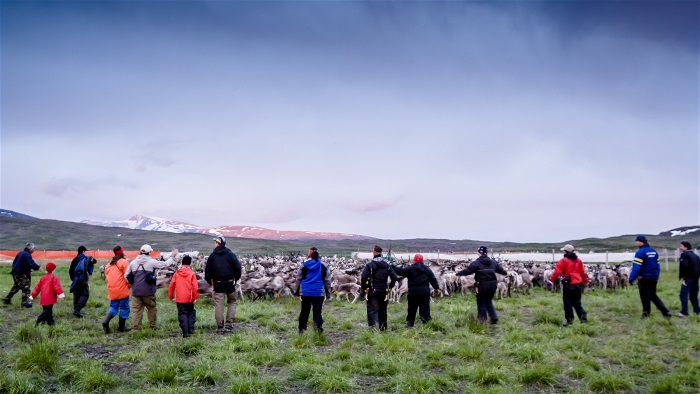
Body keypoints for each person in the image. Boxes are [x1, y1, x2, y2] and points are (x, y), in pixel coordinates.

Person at [124, 244, 177, 330]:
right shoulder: (152, 262)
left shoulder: (133, 263)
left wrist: (131, 284)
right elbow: (165, 264)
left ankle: (136, 328)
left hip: (136, 291)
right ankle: (153, 326)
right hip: (148, 291)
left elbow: (126, 275)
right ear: (150, 252)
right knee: (151, 308)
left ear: (140, 252)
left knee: (136, 310)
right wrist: (172, 256)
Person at [456, 246, 508, 324]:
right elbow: (502, 271)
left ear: (479, 253)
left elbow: (468, 271)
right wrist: (506, 273)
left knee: (481, 303)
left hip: (482, 285)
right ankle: (494, 317)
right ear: (486, 253)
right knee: (488, 301)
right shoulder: (493, 262)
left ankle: (482, 321)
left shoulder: (476, 263)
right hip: (493, 285)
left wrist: (458, 274)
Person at [391, 254, 440, 327]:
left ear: (414, 260)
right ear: (422, 260)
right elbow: (433, 279)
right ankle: (426, 323)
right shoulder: (427, 269)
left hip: (413, 292)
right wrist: (436, 288)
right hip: (424, 292)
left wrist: (392, 266)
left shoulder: (410, 268)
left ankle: (410, 323)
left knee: (412, 308)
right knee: (425, 308)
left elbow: (400, 272)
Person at [204, 236, 241, 332]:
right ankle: (229, 323)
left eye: (215, 242)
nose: (214, 244)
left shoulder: (212, 256)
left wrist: (211, 282)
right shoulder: (230, 254)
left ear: (218, 243)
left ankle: (220, 327)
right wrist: (235, 279)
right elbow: (238, 268)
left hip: (218, 284)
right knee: (232, 301)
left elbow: (207, 272)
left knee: (218, 304)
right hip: (229, 283)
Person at [629, 235, 671, 318]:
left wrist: (631, 278)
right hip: (653, 277)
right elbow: (658, 266)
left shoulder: (640, 252)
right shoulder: (653, 251)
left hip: (644, 278)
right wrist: (656, 276)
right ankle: (665, 312)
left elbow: (636, 267)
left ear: (641, 242)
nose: (636, 242)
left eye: (637, 241)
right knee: (652, 295)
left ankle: (646, 313)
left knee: (644, 296)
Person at [294, 247, 332, 334]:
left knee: (304, 311)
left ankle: (301, 330)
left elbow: (298, 279)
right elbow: (328, 281)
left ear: (309, 254)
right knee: (317, 312)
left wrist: (296, 291)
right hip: (319, 293)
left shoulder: (304, 265)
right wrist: (328, 293)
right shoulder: (323, 265)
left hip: (305, 292)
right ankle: (318, 330)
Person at [549, 244, 589, 326]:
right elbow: (582, 272)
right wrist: (586, 281)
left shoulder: (563, 261)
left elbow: (557, 272)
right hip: (578, 284)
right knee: (577, 302)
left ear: (565, 251)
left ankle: (569, 320)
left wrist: (550, 281)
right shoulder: (579, 260)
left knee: (568, 303)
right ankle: (583, 317)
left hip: (569, 284)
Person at [361, 245, 398, 331]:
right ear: (381, 253)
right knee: (383, 310)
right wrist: (389, 287)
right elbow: (395, 277)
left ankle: (373, 329)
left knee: (372, 310)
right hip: (383, 291)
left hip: (372, 290)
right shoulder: (387, 265)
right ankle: (383, 328)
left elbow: (363, 278)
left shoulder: (369, 266)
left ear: (374, 252)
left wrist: (365, 288)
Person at [103, 245, 132, 333]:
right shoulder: (124, 262)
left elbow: (107, 277)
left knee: (113, 307)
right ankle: (121, 327)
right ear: (122, 252)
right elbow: (128, 276)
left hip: (112, 290)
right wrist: (130, 285)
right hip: (122, 289)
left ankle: (105, 321)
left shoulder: (109, 264)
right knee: (124, 307)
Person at [168, 255, 199, 337]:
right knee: (191, 312)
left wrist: (170, 296)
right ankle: (191, 329)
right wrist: (195, 297)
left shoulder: (177, 273)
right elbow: (195, 287)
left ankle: (185, 332)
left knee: (182, 314)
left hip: (179, 299)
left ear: (182, 263)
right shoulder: (192, 274)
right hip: (190, 298)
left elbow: (171, 286)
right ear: (190, 264)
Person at [3, 242, 42, 307]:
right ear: (30, 248)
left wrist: (30, 270)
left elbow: (21, 263)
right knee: (26, 286)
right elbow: (31, 263)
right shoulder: (27, 254)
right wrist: (38, 267)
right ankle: (24, 303)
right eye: (34, 248)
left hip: (15, 273)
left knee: (16, 287)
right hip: (20, 273)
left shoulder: (21, 253)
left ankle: (6, 300)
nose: (34, 250)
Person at [29, 262, 65, 326]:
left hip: (43, 298)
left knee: (48, 311)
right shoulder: (54, 277)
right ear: (52, 270)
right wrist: (61, 295)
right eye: (54, 269)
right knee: (46, 312)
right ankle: (38, 322)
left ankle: (50, 323)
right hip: (50, 298)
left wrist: (32, 296)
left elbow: (37, 288)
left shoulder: (43, 278)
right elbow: (57, 287)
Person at [69, 245, 96, 318]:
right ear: (83, 251)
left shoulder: (74, 259)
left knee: (76, 295)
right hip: (82, 280)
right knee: (85, 294)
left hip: (75, 280)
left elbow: (70, 270)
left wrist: (73, 279)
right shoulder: (85, 259)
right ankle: (77, 310)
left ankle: (75, 309)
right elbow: (94, 262)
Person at [677, 241, 700, 317]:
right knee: (693, 296)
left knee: (683, 294)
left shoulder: (684, 255)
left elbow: (684, 266)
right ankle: (697, 311)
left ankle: (684, 312)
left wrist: (684, 277)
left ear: (686, 247)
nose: (680, 248)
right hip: (696, 278)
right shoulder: (696, 256)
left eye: (681, 246)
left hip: (688, 278)